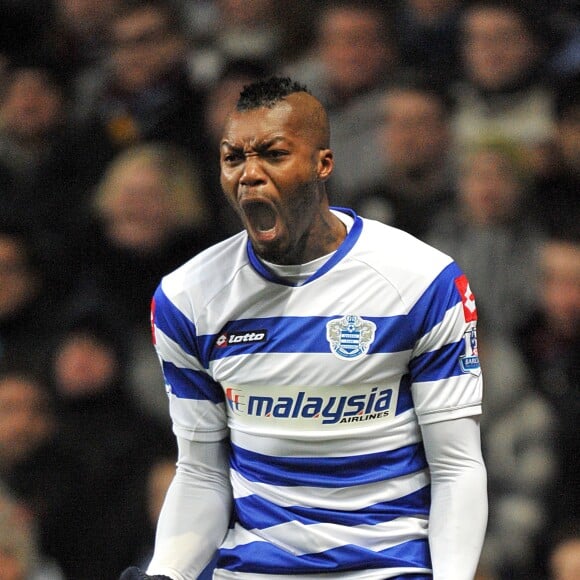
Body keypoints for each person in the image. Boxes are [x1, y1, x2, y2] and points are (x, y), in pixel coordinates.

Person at [120, 76, 487, 580]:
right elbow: (203, 473)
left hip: (389, 569)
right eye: (233, 158)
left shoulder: (423, 282)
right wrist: (167, 573)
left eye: (272, 154)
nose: (249, 175)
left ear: (322, 165)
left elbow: (456, 467)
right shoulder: (188, 299)